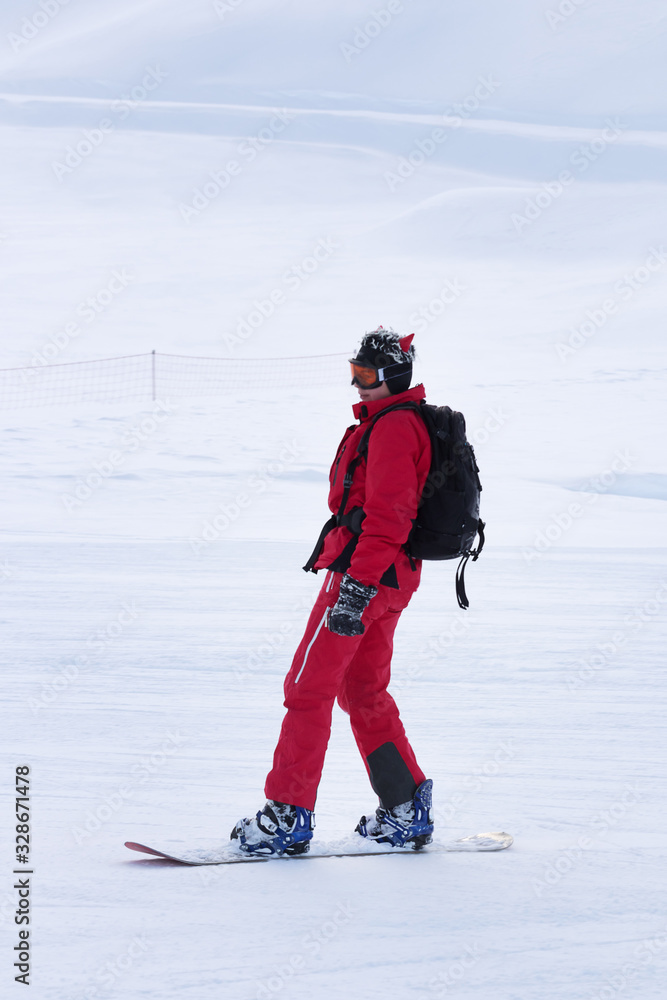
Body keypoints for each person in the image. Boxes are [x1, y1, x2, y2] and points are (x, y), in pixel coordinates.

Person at [231, 327, 434, 855]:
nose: (357, 383)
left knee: (308, 688)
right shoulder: (397, 422)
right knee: (362, 691)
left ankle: (287, 815)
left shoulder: (393, 428)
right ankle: (405, 808)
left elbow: (389, 518)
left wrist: (355, 590)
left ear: (395, 375)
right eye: (354, 372)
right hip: (391, 579)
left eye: (367, 374)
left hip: (363, 578)